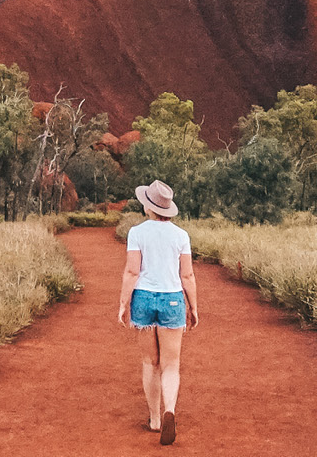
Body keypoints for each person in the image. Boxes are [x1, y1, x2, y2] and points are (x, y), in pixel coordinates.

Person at [115, 179, 201, 445]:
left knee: (150, 362)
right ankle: (169, 410)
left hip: (143, 298)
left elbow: (132, 271)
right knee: (171, 364)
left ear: (148, 206)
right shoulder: (181, 236)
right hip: (173, 300)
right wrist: (194, 307)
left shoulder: (137, 232)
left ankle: (154, 419)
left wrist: (122, 303)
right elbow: (186, 274)